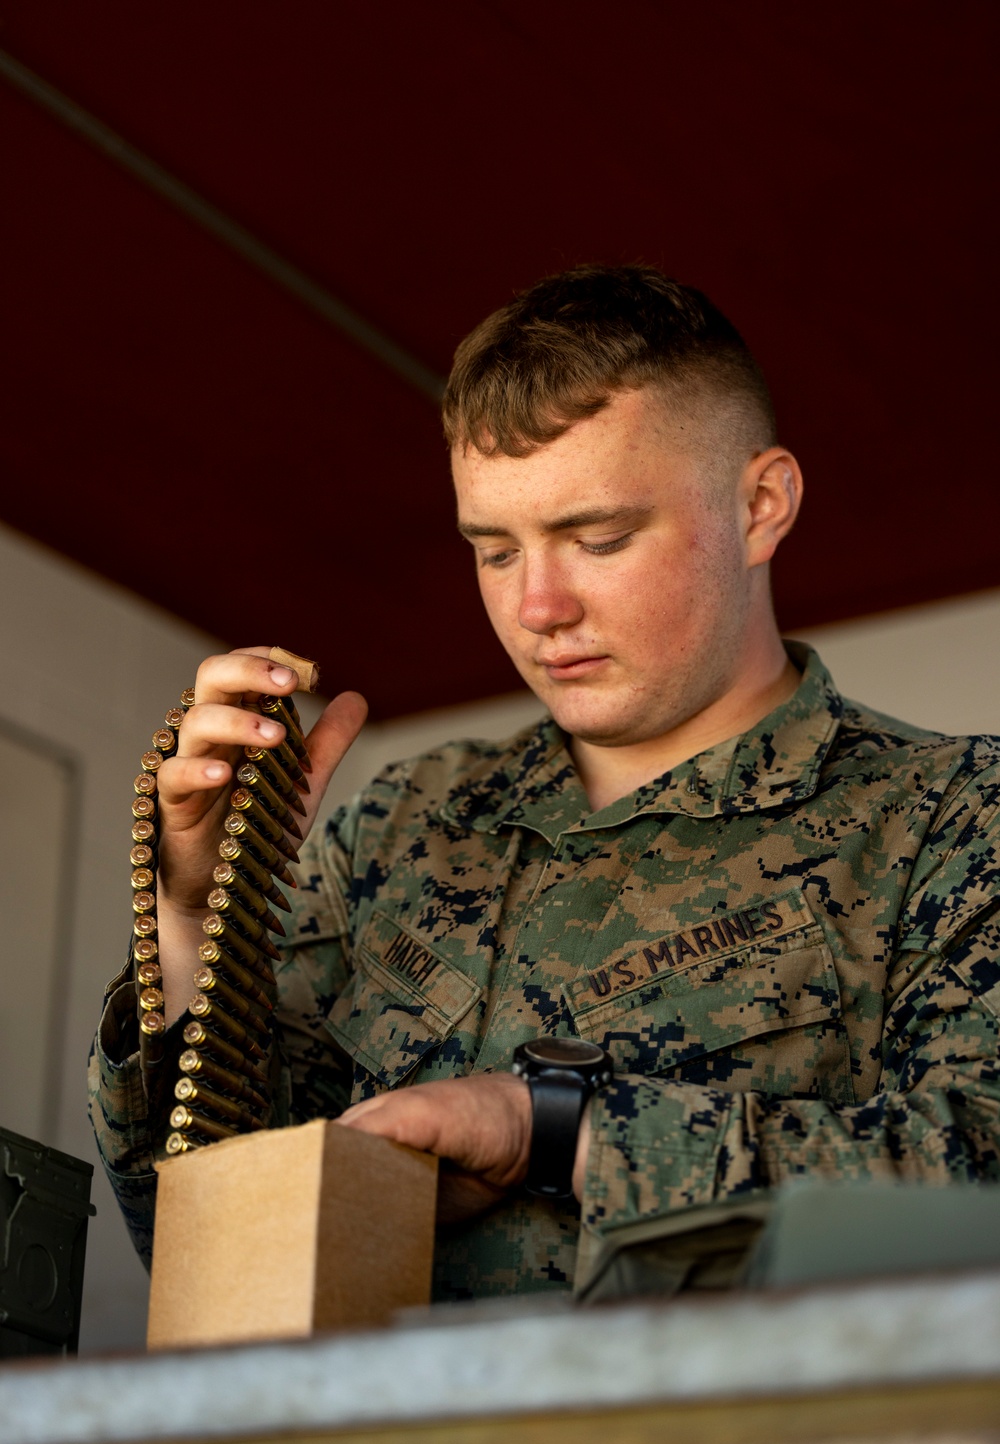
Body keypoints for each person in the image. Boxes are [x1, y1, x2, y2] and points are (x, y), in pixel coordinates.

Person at [90, 265, 1000, 1297]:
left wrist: (554, 1131)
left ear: (760, 505)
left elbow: (979, 1187)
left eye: (598, 537)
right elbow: (201, 1249)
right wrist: (192, 918)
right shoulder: (402, 825)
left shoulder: (953, 819)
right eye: (492, 551)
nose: (537, 606)